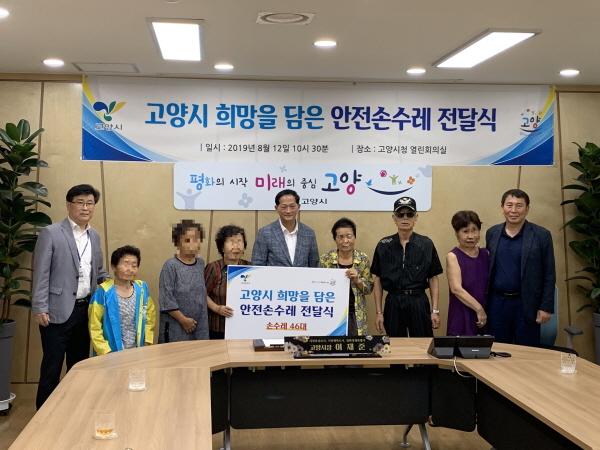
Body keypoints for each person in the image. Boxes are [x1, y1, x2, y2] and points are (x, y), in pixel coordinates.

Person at [31, 184, 108, 408]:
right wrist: (40, 307)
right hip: (56, 311)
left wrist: (117, 287)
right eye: (80, 202)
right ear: (69, 205)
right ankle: (44, 416)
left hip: (85, 310)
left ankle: (75, 412)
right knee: (52, 367)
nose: (85, 208)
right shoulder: (51, 233)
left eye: (90, 203)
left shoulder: (94, 236)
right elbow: (41, 272)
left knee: (80, 365)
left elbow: (99, 272)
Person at [486, 189, 555, 346]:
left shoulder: (541, 235)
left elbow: (549, 273)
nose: (513, 210)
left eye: (519, 205)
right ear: (502, 207)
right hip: (497, 304)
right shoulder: (492, 233)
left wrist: (545, 307)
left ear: (527, 208)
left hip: (527, 304)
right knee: (497, 350)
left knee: (526, 352)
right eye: (509, 205)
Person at [371, 196, 443, 337]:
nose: (405, 218)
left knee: (422, 344)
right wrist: (379, 312)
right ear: (394, 218)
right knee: (395, 345)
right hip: (393, 301)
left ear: (416, 217)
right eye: (400, 214)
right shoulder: (383, 245)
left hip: (418, 300)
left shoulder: (426, 244)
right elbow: (377, 279)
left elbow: (433, 278)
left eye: (409, 214)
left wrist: (435, 310)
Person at [88, 246, 155, 354]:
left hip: (138, 351)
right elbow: (94, 327)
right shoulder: (103, 293)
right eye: (126, 264)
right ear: (114, 266)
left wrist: (147, 341)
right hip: (110, 353)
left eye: (134, 265)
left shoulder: (142, 289)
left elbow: (149, 317)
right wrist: (106, 352)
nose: (130, 269)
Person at [319, 218, 373, 336]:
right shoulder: (325, 260)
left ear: (354, 237)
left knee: (356, 346)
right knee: (332, 346)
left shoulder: (363, 259)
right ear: (335, 239)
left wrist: (358, 280)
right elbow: (318, 288)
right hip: (331, 313)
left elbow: (369, 289)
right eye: (340, 237)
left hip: (356, 314)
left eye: (349, 236)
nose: (345, 241)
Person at [158, 220, 209, 342]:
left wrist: (217, 308)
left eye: (196, 239)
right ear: (177, 243)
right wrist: (183, 320)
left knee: (200, 352)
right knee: (176, 353)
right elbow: (166, 299)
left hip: (200, 324)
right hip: (176, 325)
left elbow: (202, 293)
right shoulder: (170, 266)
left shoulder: (200, 263)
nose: (192, 244)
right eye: (187, 240)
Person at [446, 211, 490, 336]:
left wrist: (482, 310)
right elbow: (456, 289)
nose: (471, 236)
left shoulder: (486, 254)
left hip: (484, 313)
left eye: (474, 230)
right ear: (457, 233)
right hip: (462, 312)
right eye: (465, 231)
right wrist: (479, 309)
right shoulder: (453, 256)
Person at [204, 225, 251, 339]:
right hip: (217, 328)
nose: (236, 246)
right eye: (231, 241)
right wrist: (217, 308)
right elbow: (202, 293)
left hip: (243, 328)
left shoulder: (249, 267)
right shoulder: (213, 267)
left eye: (239, 241)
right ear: (222, 247)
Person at [251, 189, 319, 267]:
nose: (288, 211)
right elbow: (257, 264)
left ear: (298, 207)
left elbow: (314, 265)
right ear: (276, 208)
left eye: (292, 206)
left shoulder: (309, 233)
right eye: (284, 207)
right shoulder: (265, 233)